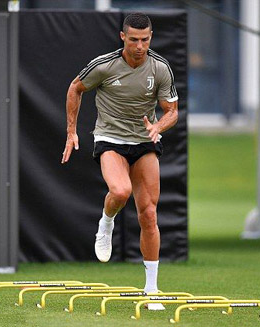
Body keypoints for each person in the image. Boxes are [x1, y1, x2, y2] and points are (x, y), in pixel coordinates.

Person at [61, 13, 178, 310]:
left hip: (144, 141)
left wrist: (158, 127)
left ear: (151, 37)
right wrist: (71, 131)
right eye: (135, 39)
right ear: (123, 37)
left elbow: (171, 111)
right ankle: (107, 222)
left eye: (146, 39)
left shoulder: (160, 67)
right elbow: (75, 88)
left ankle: (151, 289)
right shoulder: (104, 65)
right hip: (110, 138)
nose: (140, 46)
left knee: (149, 214)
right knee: (121, 191)